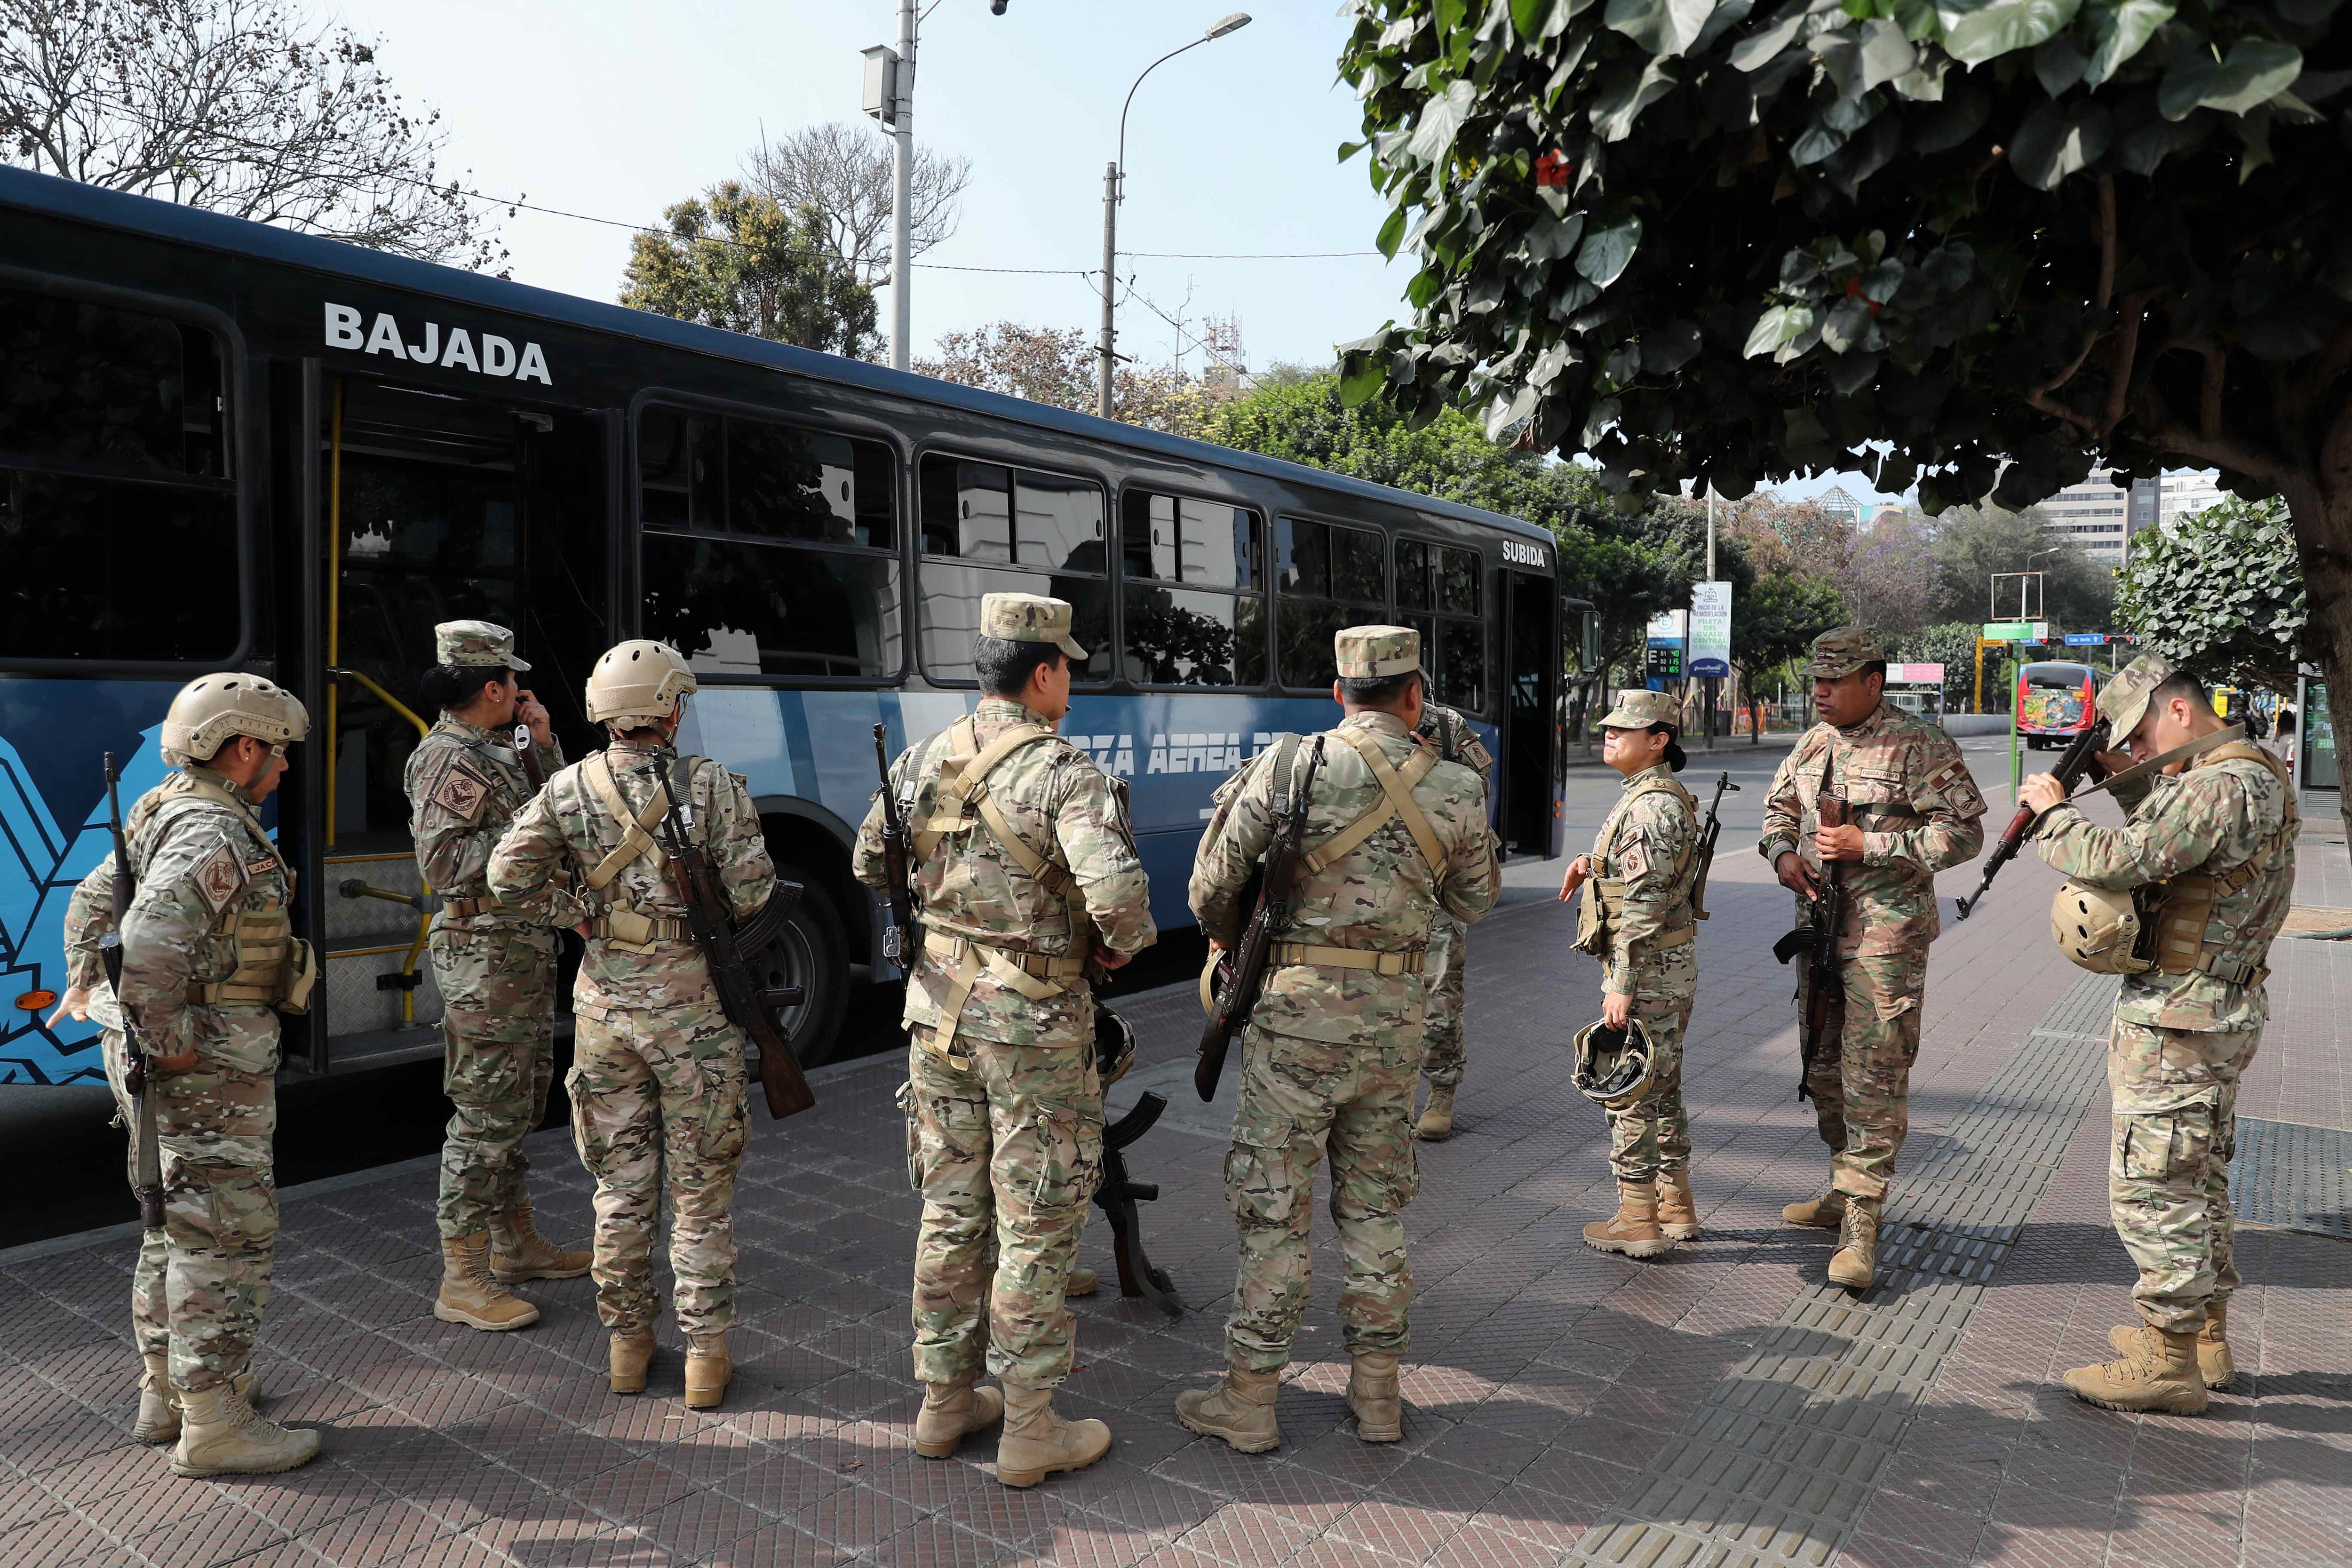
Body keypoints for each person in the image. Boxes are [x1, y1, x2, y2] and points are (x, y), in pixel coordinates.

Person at [853, 593, 1156, 1489]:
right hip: (1033, 1025)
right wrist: (1111, 943)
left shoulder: (921, 757)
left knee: (951, 1209)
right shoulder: (1065, 771)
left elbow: (873, 862)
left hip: (936, 1013)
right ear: (1045, 671)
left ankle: (944, 1403)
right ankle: (1027, 1424)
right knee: (1035, 1218)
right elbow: (1124, 907)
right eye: (1069, 664)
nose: (1073, 679)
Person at [1177, 626, 1499, 1453]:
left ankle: (1250, 1400)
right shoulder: (1460, 785)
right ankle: (1379, 1395)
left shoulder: (1290, 764)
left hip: (1292, 1024)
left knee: (1276, 1213)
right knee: (1376, 1207)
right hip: (1394, 1026)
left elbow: (1211, 886)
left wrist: (1230, 943)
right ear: (1415, 695)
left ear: (1337, 692)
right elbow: (1472, 902)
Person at [487, 640, 777, 1410]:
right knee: (700, 1198)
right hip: (693, 1018)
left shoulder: (570, 784)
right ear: (671, 706)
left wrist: (577, 913)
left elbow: (504, 875)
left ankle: (626, 1348)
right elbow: (753, 891)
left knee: (619, 1191)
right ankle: (706, 1360)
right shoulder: (710, 785)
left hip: (605, 1014)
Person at [52, 673, 320, 1476]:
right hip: (205, 1064)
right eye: (277, 754)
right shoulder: (216, 831)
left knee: (170, 1222)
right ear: (242, 747)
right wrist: (164, 1038)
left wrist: (91, 995)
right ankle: (216, 1422)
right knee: (226, 1235)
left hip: (168, 1056)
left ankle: (168, 1391)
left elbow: (90, 908)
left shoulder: (161, 805)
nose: (283, 770)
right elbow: (154, 942)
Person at [2020, 656, 2294, 1414]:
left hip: (2182, 1016)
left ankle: (2168, 1360)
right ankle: (2204, 1337)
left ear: (2177, 711)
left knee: (2152, 1186)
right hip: (2212, 1008)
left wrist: (2054, 812)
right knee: (2197, 1176)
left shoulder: (2218, 784)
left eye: (2140, 736)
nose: (2137, 752)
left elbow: (2122, 859)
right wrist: (2135, 779)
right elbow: (2178, 842)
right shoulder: (2249, 770)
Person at [1757, 627, 1986, 1289]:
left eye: (1836, 679)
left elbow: (1966, 832)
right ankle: (1840, 1185)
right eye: (1816, 681)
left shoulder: (1918, 742)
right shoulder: (1812, 742)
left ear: (1874, 682)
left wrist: (1874, 847)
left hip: (1886, 940)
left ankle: (1862, 1223)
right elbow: (1778, 810)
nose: (1821, 692)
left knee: (1873, 1074)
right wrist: (1784, 855)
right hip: (1819, 930)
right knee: (1823, 1064)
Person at [405, 620, 588, 1334]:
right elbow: (445, 866)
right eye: (515, 681)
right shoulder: (447, 758)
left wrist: (543, 745)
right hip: (483, 955)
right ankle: (463, 1275)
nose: (522, 689)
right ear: (492, 688)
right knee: (484, 1113)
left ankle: (514, 1245)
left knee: (517, 1102)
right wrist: (529, 835)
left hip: (518, 949)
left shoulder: (498, 747)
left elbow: (556, 806)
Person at [1558, 690, 1703, 1255]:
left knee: (1630, 1092)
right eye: (1608, 727)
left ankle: (1637, 1219)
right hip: (1667, 967)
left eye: (1623, 729)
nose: (1609, 736)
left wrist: (1621, 982)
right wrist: (1589, 866)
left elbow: (1643, 903)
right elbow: (1645, 878)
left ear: (1659, 739)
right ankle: (1675, 1207)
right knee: (1662, 1089)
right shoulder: (1652, 797)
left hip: (1646, 971)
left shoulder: (1650, 806)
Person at [1410, 700, 1494, 1142]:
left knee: (1439, 989)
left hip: (1439, 877)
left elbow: (1479, 787)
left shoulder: (1444, 724)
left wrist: (1429, 761)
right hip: (1382, 877)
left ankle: (1441, 1089)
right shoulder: (1359, 718)